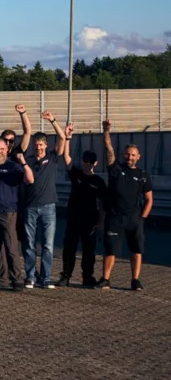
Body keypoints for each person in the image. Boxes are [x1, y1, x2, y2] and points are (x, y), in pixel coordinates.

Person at [97, 120, 153, 291]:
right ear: (123, 155)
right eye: (127, 154)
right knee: (110, 249)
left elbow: (149, 199)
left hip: (134, 219)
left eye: (133, 155)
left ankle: (135, 280)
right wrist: (106, 130)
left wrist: (142, 218)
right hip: (115, 217)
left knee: (136, 250)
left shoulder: (143, 175)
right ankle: (105, 279)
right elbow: (108, 147)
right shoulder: (115, 169)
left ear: (138, 157)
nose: (130, 157)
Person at [21, 110, 68, 289]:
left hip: (49, 207)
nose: (39, 147)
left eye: (41, 144)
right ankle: (31, 276)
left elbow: (62, 139)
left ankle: (46, 278)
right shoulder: (29, 160)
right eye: (37, 144)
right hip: (30, 207)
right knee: (29, 245)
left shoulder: (53, 158)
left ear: (46, 145)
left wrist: (52, 120)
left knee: (48, 245)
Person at [57, 123, 105, 288]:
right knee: (69, 248)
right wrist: (68, 137)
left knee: (88, 251)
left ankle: (87, 276)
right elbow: (66, 156)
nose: (87, 164)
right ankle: (66, 275)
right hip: (73, 218)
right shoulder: (76, 173)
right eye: (85, 161)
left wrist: (101, 222)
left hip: (90, 221)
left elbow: (103, 204)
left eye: (90, 161)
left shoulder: (99, 182)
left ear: (96, 163)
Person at [0, 138, 31, 291]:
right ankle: (0, 278)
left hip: (8, 213)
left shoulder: (13, 167)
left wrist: (23, 163)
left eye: (2, 149)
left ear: (7, 149)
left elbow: (29, 179)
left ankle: (17, 279)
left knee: (11, 248)